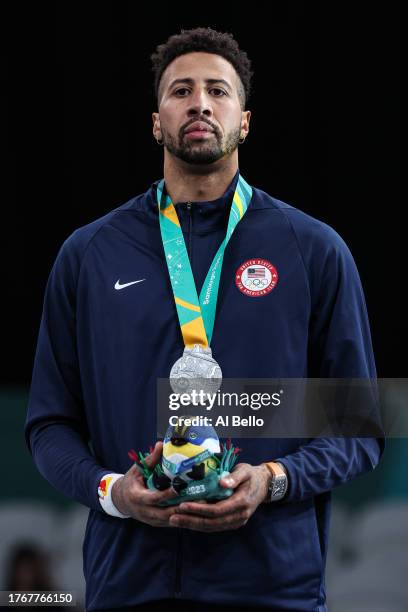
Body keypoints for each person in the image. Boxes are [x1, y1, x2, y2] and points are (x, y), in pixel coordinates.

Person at [25, 27, 384, 612]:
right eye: (181, 91)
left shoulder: (312, 249)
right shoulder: (90, 255)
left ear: (244, 121)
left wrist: (273, 479)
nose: (199, 103)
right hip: (129, 584)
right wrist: (114, 492)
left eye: (218, 91)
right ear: (155, 122)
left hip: (273, 588)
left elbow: (359, 425)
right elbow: (49, 424)